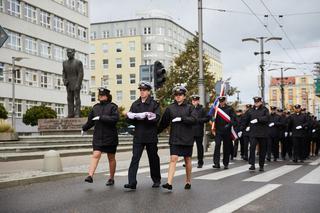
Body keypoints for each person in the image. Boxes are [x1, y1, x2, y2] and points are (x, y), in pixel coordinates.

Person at [158, 85, 196, 191]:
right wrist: (155, 132)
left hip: (187, 137)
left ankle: (188, 181)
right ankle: (169, 183)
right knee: (173, 158)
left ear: (184, 96)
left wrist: (182, 119)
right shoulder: (170, 108)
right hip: (175, 138)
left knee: (187, 159)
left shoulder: (190, 107)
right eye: (176, 95)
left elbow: (194, 119)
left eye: (180, 95)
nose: (178, 96)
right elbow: (163, 123)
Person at [124, 81, 161, 190]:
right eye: (140, 90)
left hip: (150, 135)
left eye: (144, 90)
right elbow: (129, 120)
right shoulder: (135, 104)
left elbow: (157, 118)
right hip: (139, 135)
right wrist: (130, 117)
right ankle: (132, 182)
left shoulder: (154, 104)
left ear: (149, 91)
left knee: (153, 158)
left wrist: (147, 117)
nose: (142, 92)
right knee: (135, 158)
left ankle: (156, 180)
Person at [82, 87, 119, 185]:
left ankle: (111, 178)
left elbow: (115, 119)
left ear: (107, 96)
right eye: (100, 95)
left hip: (110, 137)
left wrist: (101, 117)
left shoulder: (113, 106)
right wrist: (84, 128)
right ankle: (90, 176)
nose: (101, 97)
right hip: (98, 136)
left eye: (103, 95)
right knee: (96, 155)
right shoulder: (95, 107)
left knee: (111, 157)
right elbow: (91, 121)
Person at [242, 96, 269, 172]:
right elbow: (245, 120)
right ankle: (252, 164)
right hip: (253, 133)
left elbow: (267, 118)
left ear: (261, 102)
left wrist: (258, 120)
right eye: (255, 102)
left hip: (262, 133)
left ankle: (261, 165)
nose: (256, 103)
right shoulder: (250, 110)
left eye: (257, 102)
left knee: (262, 150)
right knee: (252, 148)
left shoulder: (265, 110)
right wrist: (242, 129)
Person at [211, 96, 236, 170]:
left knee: (226, 147)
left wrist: (229, 124)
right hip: (218, 130)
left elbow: (234, 118)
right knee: (217, 145)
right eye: (220, 101)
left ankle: (226, 163)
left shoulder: (229, 109)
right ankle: (216, 163)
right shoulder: (216, 109)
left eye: (222, 101)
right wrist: (213, 119)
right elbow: (211, 117)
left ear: (225, 101)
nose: (221, 103)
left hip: (227, 130)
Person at [62, 48, 84, 118]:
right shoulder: (64, 63)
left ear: (73, 53)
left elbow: (80, 74)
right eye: (67, 53)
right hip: (68, 84)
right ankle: (70, 113)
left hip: (76, 82)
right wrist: (64, 80)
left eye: (70, 52)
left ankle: (77, 113)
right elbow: (64, 73)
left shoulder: (78, 62)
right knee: (69, 98)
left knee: (77, 98)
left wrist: (78, 84)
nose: (68, 54)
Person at [190, 94, 210, 168]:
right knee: (189, 147)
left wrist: (199, 120)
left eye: (196, 100)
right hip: (190, 130)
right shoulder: (189, 108)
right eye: (193, 100)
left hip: (198, 130)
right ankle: (188, 161)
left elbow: (207, 118)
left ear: (198, 101)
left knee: (199, 147)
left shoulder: (202, 109)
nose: (194, 102)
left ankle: (200, 162)